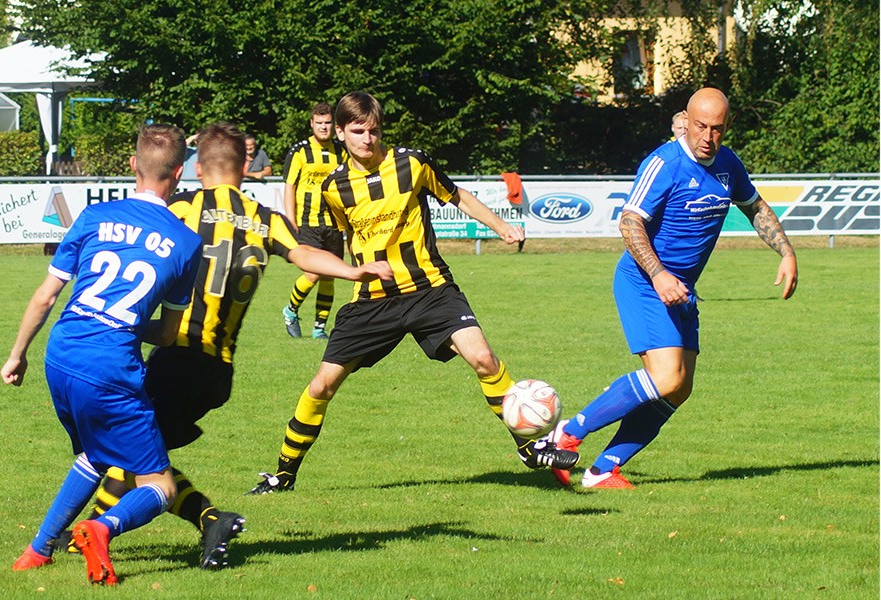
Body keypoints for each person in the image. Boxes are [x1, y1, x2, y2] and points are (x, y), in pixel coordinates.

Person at [56, 122, 393, 568]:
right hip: (218, 369)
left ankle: (193, 520)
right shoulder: (264, 219)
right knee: (134, 451)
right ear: (244, 164)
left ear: (197, 166)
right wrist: (352, 271)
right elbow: (305, 256)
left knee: (132, 452)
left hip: (176, 354)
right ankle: (84, 533)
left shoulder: (182, 207)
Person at [249, 91, 579, 496]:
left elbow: (458, 196)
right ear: (339, 133)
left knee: (484, 358)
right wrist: (354, 270)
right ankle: (282, 474)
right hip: (373, 299)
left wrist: (500, 227)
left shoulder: (412, 162)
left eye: (373, 131)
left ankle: (530, 448)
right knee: (322, 386)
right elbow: (346, 238)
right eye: (357, 132)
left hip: (430, 289)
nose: (367, 139)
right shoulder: (334, 187)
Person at [548, 87, 798, 489]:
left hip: (683, 290)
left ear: (726, 127)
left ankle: (603, 470)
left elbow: (755, 206)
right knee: (666, 377)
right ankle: (566, 433)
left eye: (717, 128)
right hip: (644, 282)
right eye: (700, 126)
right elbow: (630, 222)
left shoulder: (728, 165)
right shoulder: (664, 163)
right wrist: (660, 275)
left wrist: (786, 251)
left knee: (679, 389)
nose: (707, 136)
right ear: (687, 119)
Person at [4, 123, 205, 585]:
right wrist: (133, 324)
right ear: (178, 174)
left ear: (133, 165)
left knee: (96, 454)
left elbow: (45, 296)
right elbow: (169, 335)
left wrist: (17, 355)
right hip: (110, 366)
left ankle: (38, 549)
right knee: (159, 484)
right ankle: (99, 527)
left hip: (61, 353)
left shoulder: (94, 217)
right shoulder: (186, 242)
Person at [280, 102, 348, 339]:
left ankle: (320, 327)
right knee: (313, 273)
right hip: (307, 223)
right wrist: (290, 218)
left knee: (330, 276)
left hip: (334, 224)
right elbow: (290, 186)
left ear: (334, 125)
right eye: (319, 123)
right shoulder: (300, 151)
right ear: (311, 123)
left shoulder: (342, 151)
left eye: (327, 123)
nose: (323, 127)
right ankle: (290, 310)